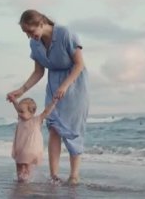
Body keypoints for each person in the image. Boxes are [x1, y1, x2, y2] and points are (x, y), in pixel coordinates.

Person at [6, 9, 89, 185]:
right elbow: (38, 71)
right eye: (25, 33)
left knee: (74, 130)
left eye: (30, 31)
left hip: (74, 84)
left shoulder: (66, 34)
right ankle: (54, 175)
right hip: (53, 84)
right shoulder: (35, 44)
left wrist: (65, 86)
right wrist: (21, 91)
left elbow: (79, 64)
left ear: (42, 24)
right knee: (53, 128)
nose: (29, 36)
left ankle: (74, 175)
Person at [9, 96, 58, 183]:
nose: (19, 113)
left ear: (31, 112)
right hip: (20, 147)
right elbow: (18, 107)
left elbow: (46, 112)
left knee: (26, 164)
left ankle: (27, 179)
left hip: (30, 148)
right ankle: (20, 179)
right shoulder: (21, 119)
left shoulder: (36, 120)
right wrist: (14, 101)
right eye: (18, 111)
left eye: (22, 112)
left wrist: (53, 102)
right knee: (19, 164)